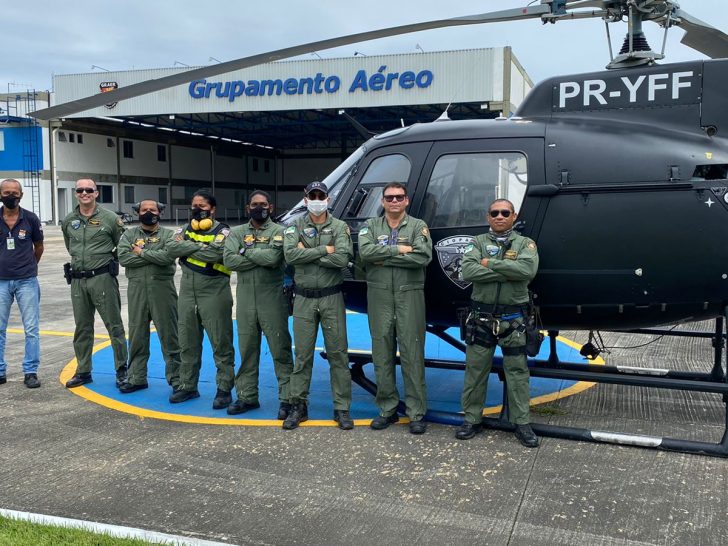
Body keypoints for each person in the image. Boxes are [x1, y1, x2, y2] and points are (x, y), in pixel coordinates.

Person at [457, 199, 540, 447]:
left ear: (514, 216)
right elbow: (468, 271)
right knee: (475, 370)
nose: (500, 216)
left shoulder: (526, 244)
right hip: (481, 319)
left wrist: (489, 263)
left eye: (505, 212)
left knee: (517, 372)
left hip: (513, 320)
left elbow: (527, 272)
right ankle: (471, 420)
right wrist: (508, 270)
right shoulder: (477, 242)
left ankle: (522, 423)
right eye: (495, 213)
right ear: (488, 217)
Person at [358, 182, 433, 434]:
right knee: (381, 352)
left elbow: (423, 257)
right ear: (382, 201)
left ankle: (416, 412)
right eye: (389, 197)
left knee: (412, 353)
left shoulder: (418, 226)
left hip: (409, 295)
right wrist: (400, 250)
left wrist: (384, 257)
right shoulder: (370, 226)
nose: (394, 201)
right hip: (378, 296)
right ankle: (387, 409)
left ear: (406, 200)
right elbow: (366, 253)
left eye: (399, 197)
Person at [282, 181, 354, 430]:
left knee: (338, 354)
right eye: (312, 195)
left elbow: (342, 258)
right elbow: (290, 256)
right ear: (305, 199)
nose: (316, 199)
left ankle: (342, 408)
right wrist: (325, 249)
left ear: (328, 199)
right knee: (302, 356)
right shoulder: (294, 226)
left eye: (320, 195)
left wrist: (309, 251)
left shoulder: (340, 226)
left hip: (331, 297)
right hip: (303, 299)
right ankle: (298, 406)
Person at [223, 190, 293, 418]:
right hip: (245, 300)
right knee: (247, 350)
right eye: (255, 204)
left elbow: (274, 259)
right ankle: (246, 396)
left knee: (280, 350)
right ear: (247, 208)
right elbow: (229, 260)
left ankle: (288, 399)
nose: (259, 208)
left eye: (263, 204)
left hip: (272, 299)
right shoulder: (237, 232)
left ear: (270, 208)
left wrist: (245, 251)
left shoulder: (281, 232)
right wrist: (258, 254)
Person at [166, 189, 235, 409]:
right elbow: (171, 248)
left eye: (202, 207)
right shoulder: (185, 228)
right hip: (187, 293)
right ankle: (188, 386)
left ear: (212, 209)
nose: (197, 211)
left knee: (220, 343)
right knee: (187, 342)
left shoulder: (224, 231)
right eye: (194, 206)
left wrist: (187, 250)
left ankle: (224, 389)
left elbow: (217, 254)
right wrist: (200, 248)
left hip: (214, 292)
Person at [62, 179, 127, 388]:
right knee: (82, 327)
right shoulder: (69, 220)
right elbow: (69, 245)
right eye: (80, 190)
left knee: (114, 325)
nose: (84, 193)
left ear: (96, 193)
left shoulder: (110, 219)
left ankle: (122, 369)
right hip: (78, 281)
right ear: (75, 193)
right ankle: (83, 371)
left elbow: (122, 246)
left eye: (88, 190)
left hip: (103, 279)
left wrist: (108, 264)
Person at [117, 200, 181, 394]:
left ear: (160, 212)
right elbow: (124, 258)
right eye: (144, 210)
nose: (148, 212)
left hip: (162, 290)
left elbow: (167, 257)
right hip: (137, 290)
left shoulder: (169, 234)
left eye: (152, 210)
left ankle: (178, 379)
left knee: (170, 335)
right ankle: (137, 377)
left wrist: (141, 253)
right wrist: (153, 255)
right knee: (137, 335)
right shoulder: (129, 234)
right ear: (137, 212)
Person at [0, 179, 44, 388]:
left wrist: (29, 266)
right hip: (1, 281)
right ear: (0, 194)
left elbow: (39, 246)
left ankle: (31, 371)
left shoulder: (31, 219)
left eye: (14, 192)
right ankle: (0, 370)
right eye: (6, 192)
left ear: (21, 195)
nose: (11, 196)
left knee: (32, 328)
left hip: (27, 281)